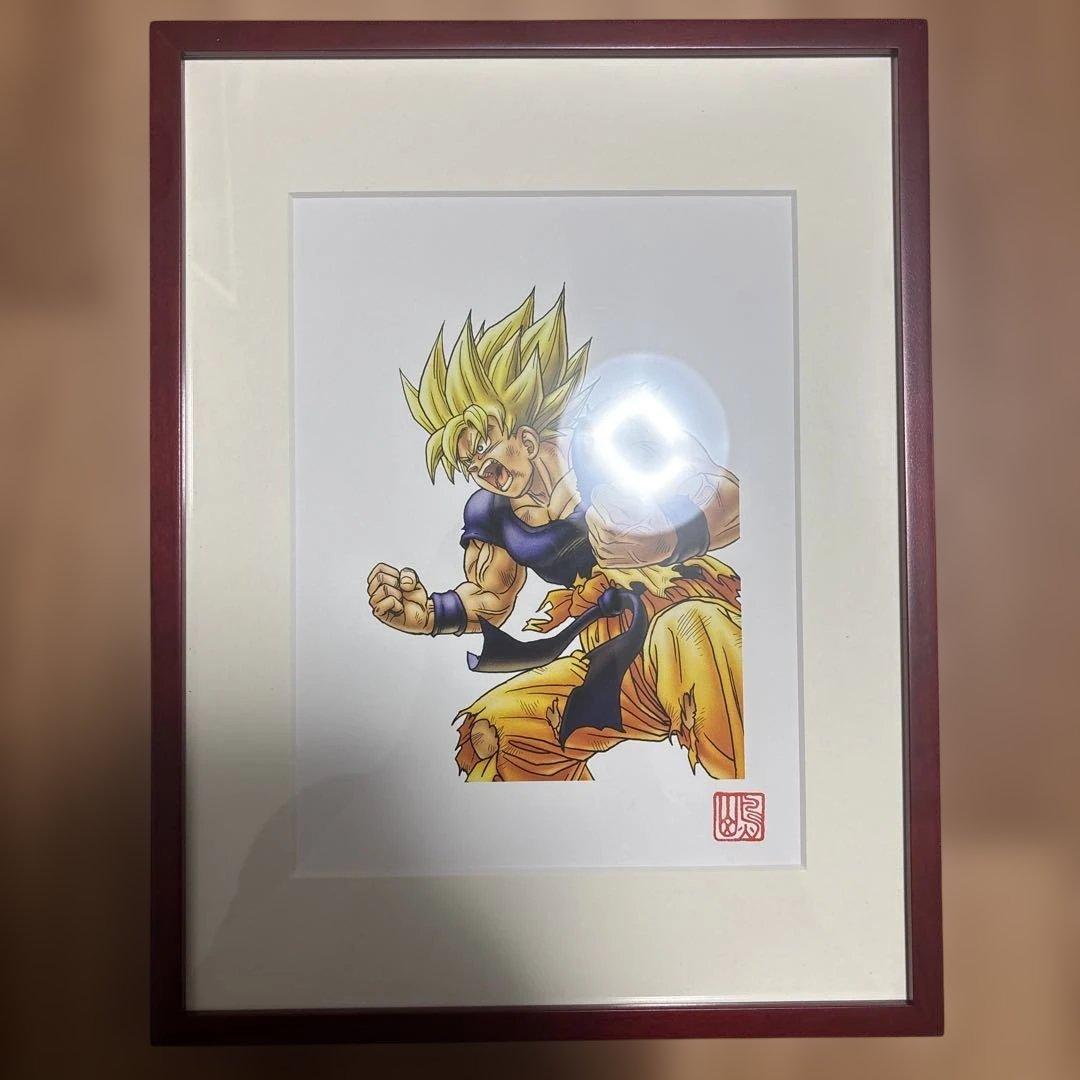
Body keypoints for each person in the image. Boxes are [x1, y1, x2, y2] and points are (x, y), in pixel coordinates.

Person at [367, 290, 743, 781]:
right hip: (606, 653)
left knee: (693, 636)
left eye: (483, 444)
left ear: (524, 436)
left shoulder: (610, 444)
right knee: (493, 738)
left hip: (685, 608)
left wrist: (663, 541)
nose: (480, 468)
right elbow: (492, 597)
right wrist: (432, 614)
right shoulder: (492, 514)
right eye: (467, 460)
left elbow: (730, 498)